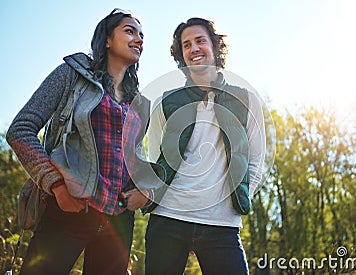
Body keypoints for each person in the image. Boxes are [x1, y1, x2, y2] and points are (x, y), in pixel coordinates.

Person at [6, 8, 154, 274]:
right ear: (107, 39)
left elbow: (132, 160)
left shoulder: (140, 104)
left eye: (142, 35)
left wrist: (145, 191)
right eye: (129, 31)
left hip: (118, 222)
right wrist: (57, 186)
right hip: (69, 210)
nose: (139, 39)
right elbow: (21, 129)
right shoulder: (71, 74)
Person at [143, 17, 267, 274]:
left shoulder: (246, 100)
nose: (194, 48)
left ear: (214, 46)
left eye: (200, 41)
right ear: (182, 55)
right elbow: (156, 159)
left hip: (222, 224)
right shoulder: (165, 103)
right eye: (186, 45)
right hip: (168, 220)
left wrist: (236, 199)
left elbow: (256, 160)